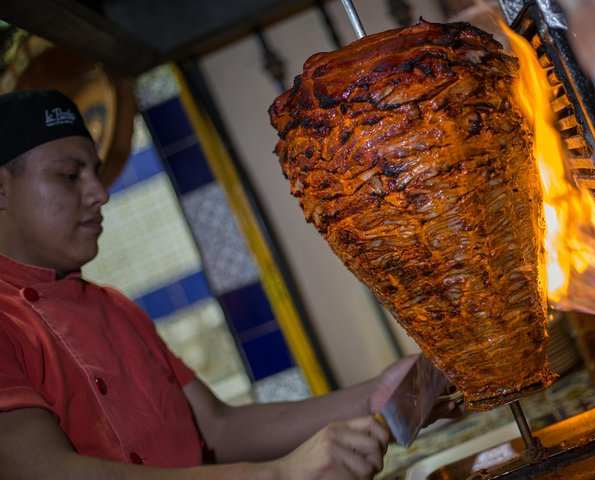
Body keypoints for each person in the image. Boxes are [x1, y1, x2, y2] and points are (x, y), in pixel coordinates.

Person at [0, 89, 463, 479]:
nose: (98, 193)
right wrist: (278, 474)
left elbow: (218, 428)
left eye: (95, 173)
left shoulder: (114, 307)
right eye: (67, 175)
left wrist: (371, 396)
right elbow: (50, 473)